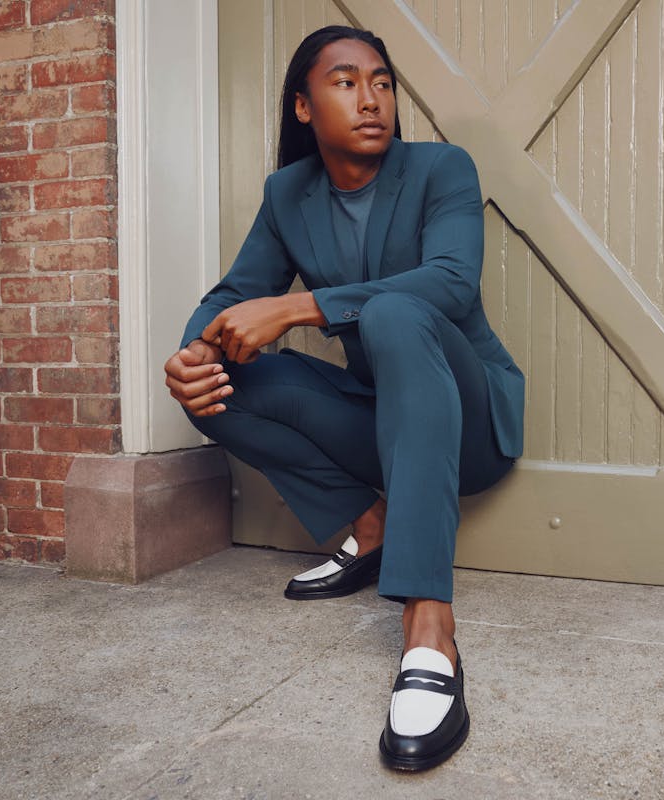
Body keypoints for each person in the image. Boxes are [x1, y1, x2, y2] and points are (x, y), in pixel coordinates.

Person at [162, 25, 524, 772]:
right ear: (302, 106)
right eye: (346, 81)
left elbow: (452, 282)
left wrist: (299, 308)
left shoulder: (440, 169)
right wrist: (194, 351)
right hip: (384, 419)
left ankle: (429, 625)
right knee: (215, 389)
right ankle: (370, 521)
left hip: (470, 425)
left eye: (383, 82)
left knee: (396, 309)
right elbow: (235, 293)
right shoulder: (287, 196)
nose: (372, 99)